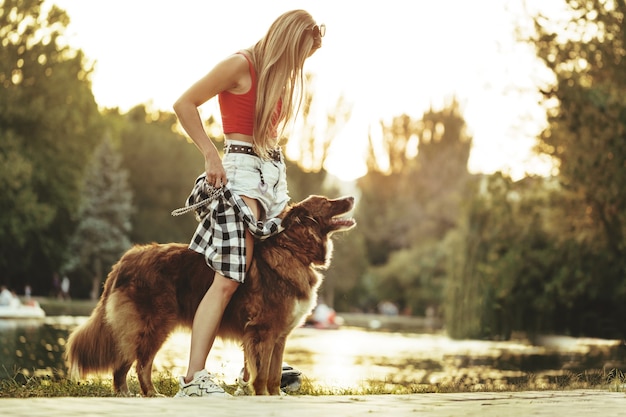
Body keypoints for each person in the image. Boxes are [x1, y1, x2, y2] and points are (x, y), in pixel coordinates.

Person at [172, 10, 325, 397]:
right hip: (239, 171)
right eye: (298, 54)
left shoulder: (279, 78)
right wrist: (210, 155)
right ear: (286, 42)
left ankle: (250, 371)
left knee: (269, 275)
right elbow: (184, 103)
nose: (298, 65)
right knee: (228, 279)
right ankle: (193, 379)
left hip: (273, 174)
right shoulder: (240, 65)